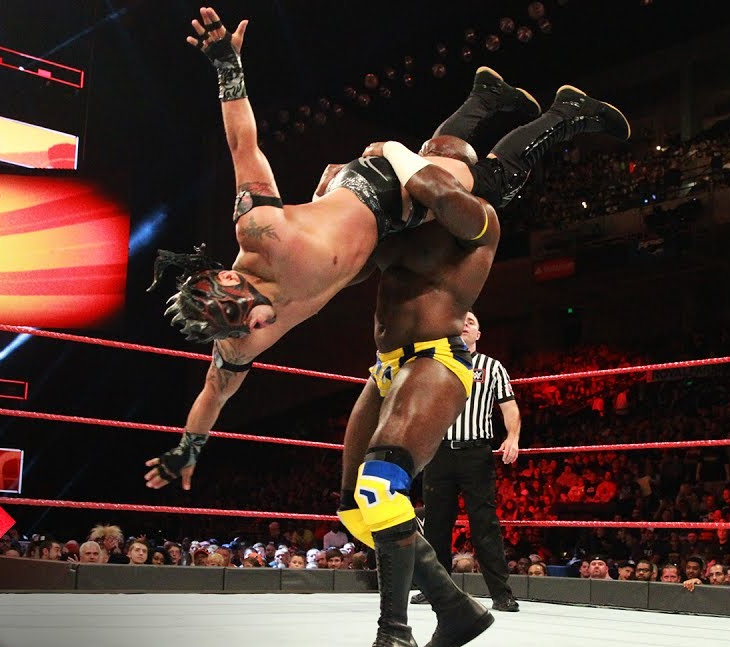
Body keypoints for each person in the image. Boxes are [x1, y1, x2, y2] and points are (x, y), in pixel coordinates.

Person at [144, 6, 629, 491]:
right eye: (238, 328)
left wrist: (227, 67)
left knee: (487, 186)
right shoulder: (240, 340)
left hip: (376, 191)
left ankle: (567, 113)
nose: (255, 326)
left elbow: (242, 145)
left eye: (243, 314)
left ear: (232, 278)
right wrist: (187, 448)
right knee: (440, 155)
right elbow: (214, 393)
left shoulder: (261, 232)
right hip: (376, 242)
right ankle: (487, 96)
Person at [334, 135, 511, 647]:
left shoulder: (477, 217)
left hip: (437, 359)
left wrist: (392, 148)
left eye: (440, 158)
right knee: (357, 510)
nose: (427, 162)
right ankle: (455, 608)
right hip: (385, 367)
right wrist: (344, 190)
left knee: (381, 486)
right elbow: (350, 267)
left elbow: (436, 189)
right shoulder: (403, 226)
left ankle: (396, 634)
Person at [411, 309, 520, 612]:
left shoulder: (492, 367)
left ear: (478, 334)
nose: (464, 324)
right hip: (439, 452)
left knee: (484, 524)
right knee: (436, 524)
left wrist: (512, 437)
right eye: (460, 321)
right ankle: (435, 589)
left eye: (470, 321)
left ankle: (501, 594)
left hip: (476, 453)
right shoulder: (435, 364)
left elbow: (509, 406)